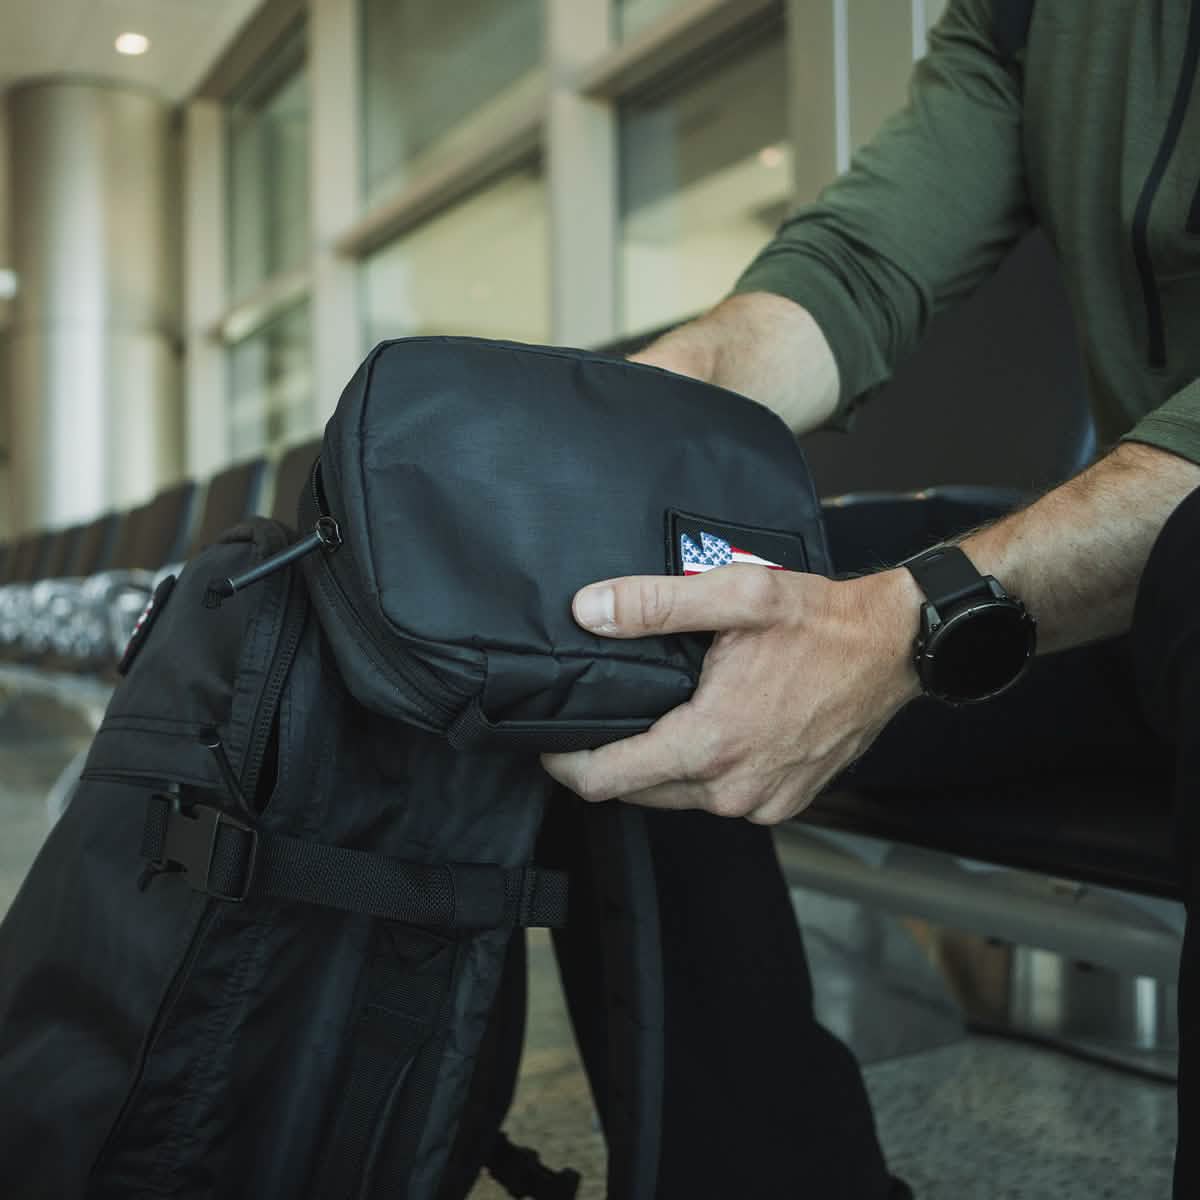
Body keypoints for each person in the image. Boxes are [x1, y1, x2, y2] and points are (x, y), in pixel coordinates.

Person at [542, 1, 1200, 1195]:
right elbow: (854, 271)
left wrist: (905, 624)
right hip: (1151, 576)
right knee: (669, 604)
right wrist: (620, 439)